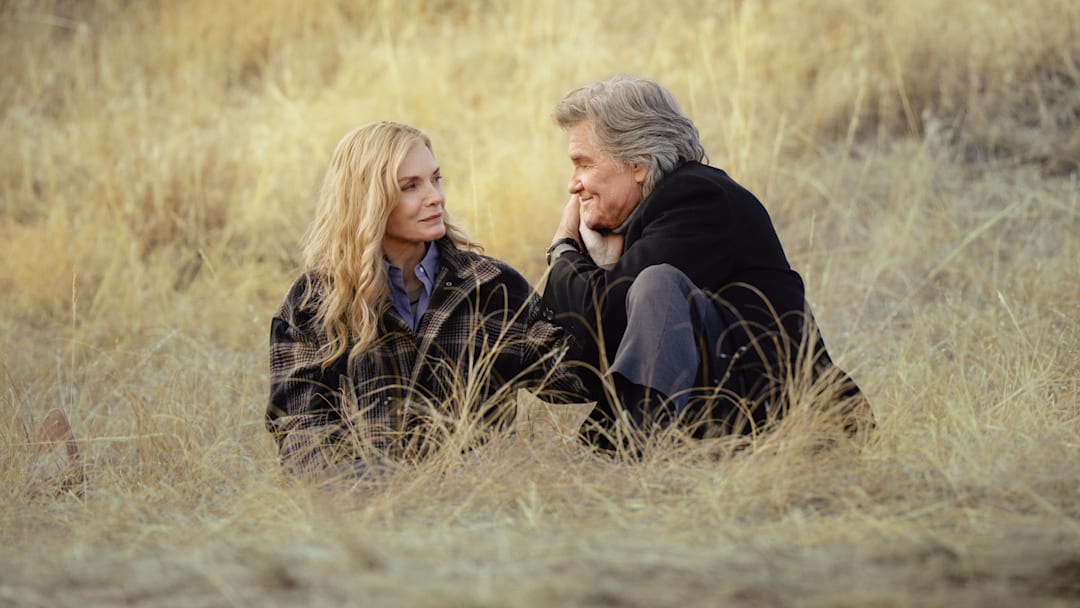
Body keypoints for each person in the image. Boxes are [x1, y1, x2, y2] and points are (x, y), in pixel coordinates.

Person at [541, 75, 870, 441]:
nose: (573, 184)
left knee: (656, 284)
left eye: (583, 164)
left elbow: (599, 313)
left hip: (790, 424)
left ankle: (640, 449)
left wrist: (563, 247)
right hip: (726, 420)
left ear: (638, 163)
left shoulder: (698, 199)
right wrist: (602, 266)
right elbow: (584, 343)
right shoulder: (639, 219)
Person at [267, 121, 583, 480]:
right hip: (368, 516)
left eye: (435, 178)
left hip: (481, 514)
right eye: (410, 186)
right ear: (367, 199)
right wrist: (390, 490)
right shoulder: (314, 303)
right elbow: (301, 438)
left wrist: (574, 259)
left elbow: (574, 380)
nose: (435, 197)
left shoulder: (492, 287)